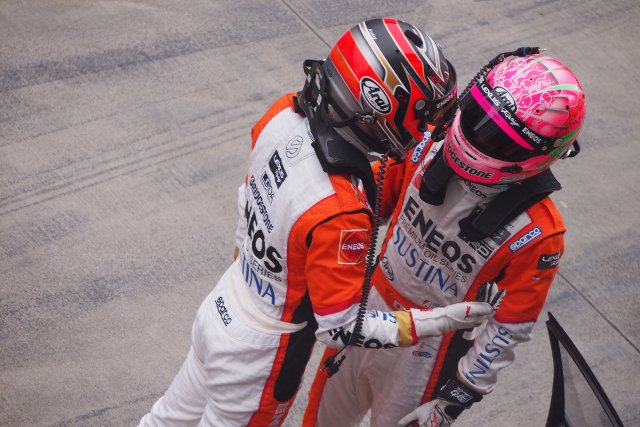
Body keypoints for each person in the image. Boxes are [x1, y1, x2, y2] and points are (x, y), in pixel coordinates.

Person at [137, 18, 500, 427]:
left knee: (163, 420)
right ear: (381, 108)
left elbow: (246, 199)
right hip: (259, 352)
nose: (427, 126)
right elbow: (341, 328)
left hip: (224, 301)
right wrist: (441, 320)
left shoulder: (281, 112)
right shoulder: (342, 211)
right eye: (423, 114)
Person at [303, 49, 586, 426]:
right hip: (367, 314)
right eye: (478, 116)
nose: (479, 135)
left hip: (426, 358)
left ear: (539, 154)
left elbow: (508, 328)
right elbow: (365, 202)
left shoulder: (538, 232)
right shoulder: (428, 140)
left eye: (499, 139)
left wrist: (451, 402)